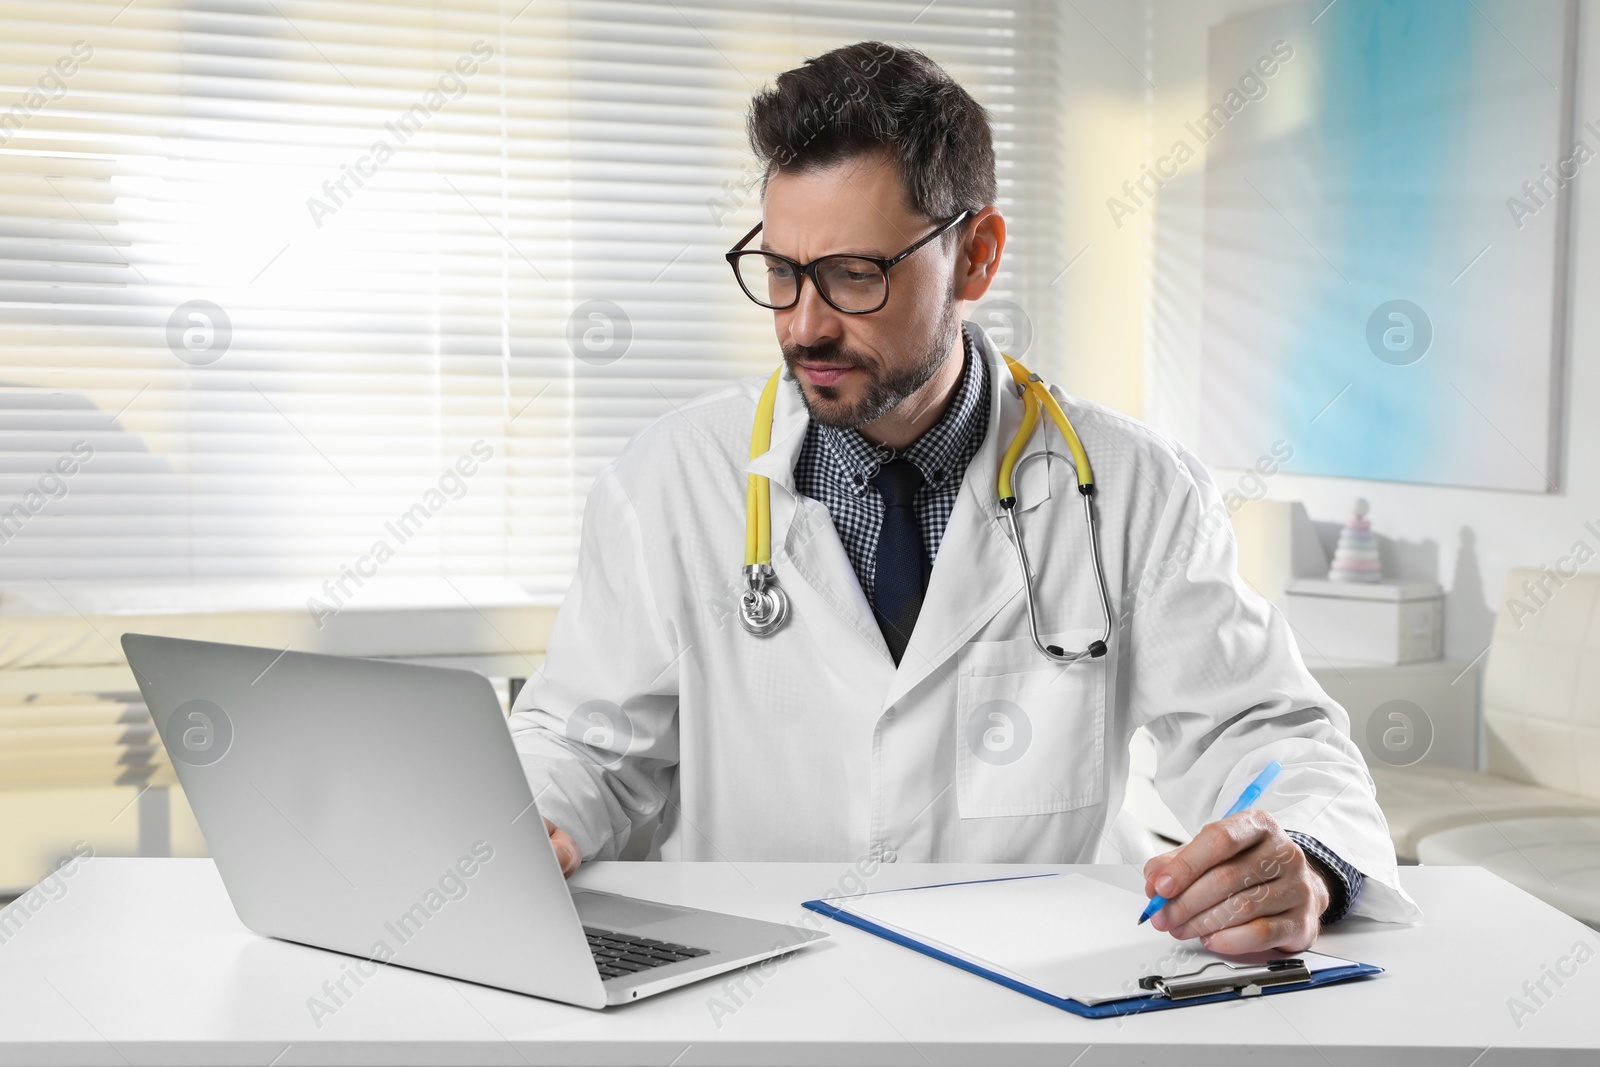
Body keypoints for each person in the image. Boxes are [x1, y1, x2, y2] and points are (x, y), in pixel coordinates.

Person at [510, 40, 1419, 954]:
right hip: (746, 994)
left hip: (1034, 996)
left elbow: (1264, 729)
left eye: (854, 275)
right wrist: (530, 819)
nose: (803, 324)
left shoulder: (1136, 488)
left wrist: (1301, 856)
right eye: (781, 271)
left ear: (976, 258)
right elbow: (585, 744)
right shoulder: (664, 481)